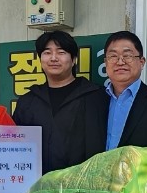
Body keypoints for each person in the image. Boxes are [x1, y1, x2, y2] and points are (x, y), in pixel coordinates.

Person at [12, 30, 105, 174]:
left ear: (74, 60)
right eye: (47, 53)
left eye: (61, 52)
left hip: (82, 183)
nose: (53, 58)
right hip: (37, 184)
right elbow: (14, 147)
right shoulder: (27, 102)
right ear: (40, 59)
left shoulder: (96, 96)